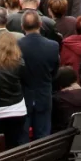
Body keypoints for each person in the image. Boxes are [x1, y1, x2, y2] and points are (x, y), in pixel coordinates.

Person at [18, 11, 59, 141]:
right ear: (40, 24)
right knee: (43, 136)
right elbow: (55, 70)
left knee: (23, 136)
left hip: (23, 96)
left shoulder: (17, 46)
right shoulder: (53, 46)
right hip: (44, 93)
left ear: (22, 26)